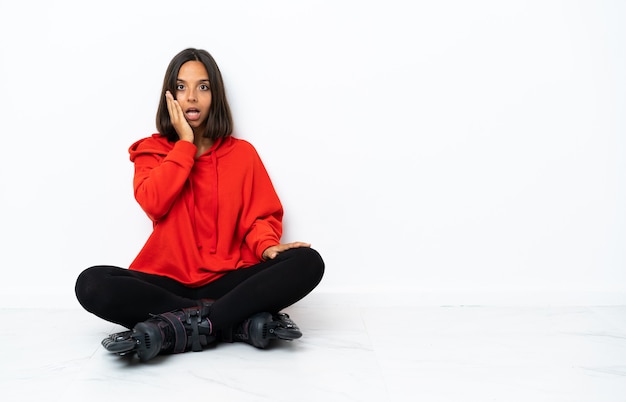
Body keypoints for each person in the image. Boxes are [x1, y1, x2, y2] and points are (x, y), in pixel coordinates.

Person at [75, 48, 325, 362]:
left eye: (203, 87)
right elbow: (154, 202)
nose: (191, 97)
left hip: (228, 280)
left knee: (308, 261)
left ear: (215, 95)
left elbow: (259, 217)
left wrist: (266, 247)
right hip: (167, 284)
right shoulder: (152, 150)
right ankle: (233, 324)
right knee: (92, 283)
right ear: (170, 97)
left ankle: (181, 326)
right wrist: (184, 145)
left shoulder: (242, 154)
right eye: (181, 87)